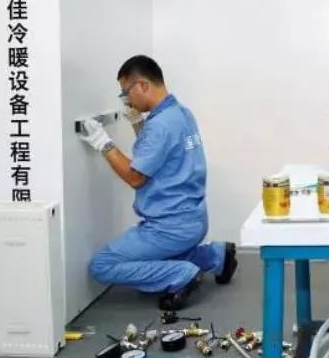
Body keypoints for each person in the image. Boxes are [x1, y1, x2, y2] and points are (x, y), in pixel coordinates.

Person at [77, 55, 237, 310]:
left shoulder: (160, 126)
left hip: (168, 228)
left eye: (126, 93)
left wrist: (103, 143)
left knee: (102, 265)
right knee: (165, 256)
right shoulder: (181, 113)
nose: (126, 100)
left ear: (142, 85)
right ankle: (215, 255)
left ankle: (181, 275)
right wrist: (138, 124)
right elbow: (156, 154)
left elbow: (136, 177)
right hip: (193, 220)